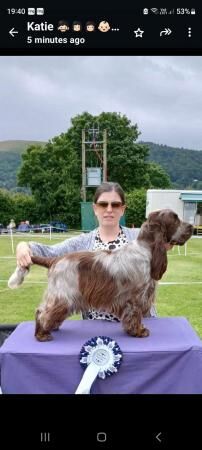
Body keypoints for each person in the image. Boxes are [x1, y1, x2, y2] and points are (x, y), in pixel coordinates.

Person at [15, 181, 172, 321]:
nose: (109, 209)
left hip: (140, 323)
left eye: (115, 204)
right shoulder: (82, 243)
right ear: (95, 208)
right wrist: (23, 245)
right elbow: (48, 252)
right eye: (103, 204)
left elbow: (170, 234)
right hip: (96, 328)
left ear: (123, 209)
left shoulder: (141, 237)